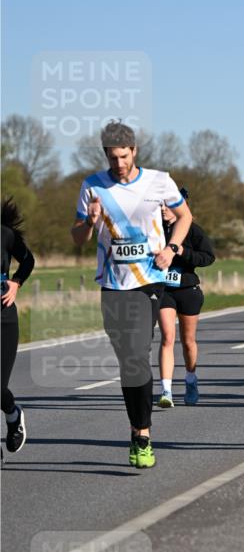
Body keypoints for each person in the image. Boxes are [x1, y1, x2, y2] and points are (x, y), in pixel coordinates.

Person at [71, 121, 192, 468]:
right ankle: (136, 425)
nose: (119, 163)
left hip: (149, 280)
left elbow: (185, 216)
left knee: (138, 353)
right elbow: (77, 238)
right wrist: (90, 222)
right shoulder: (92, 186)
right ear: (105, 154)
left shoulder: (159, 181)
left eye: (124, 156)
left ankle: (142, 434)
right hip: (112, 282)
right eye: (112, 157)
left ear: (134, 151)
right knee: (128, 360)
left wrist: (172, 247)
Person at [157, 188, 216, 407]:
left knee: (188, 341)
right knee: (167, 337)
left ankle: (191, 378)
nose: (163, 209)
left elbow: (208, 257)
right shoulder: (156, 229)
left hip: (188, 291)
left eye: (167, 205)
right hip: (165, 291)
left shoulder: (193, 231)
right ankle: (166, 391)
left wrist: (183, 252)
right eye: (160, 205)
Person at [1, 199, 35, 454]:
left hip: (3, 317)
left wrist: (16, 283)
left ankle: (13, 415)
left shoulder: (5, 235)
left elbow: (27, 261)